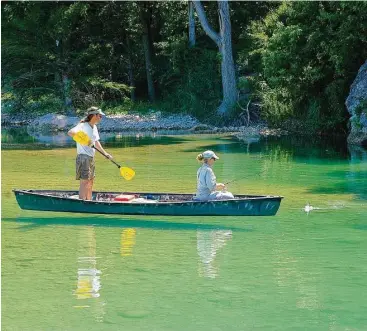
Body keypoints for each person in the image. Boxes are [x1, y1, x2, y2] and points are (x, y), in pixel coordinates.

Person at [68, 106, 113, 200]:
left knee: (91, 181)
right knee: (84, 182)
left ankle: (88, 200)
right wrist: (85, 140)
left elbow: (96, 142)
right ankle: (82, 202)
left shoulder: (94, 127)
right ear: (94, 115)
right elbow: (71, 132)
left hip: (91, 157)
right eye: (100, 116)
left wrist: (105, 153)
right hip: (83, 157)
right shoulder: (83, 125)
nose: (101, 117)